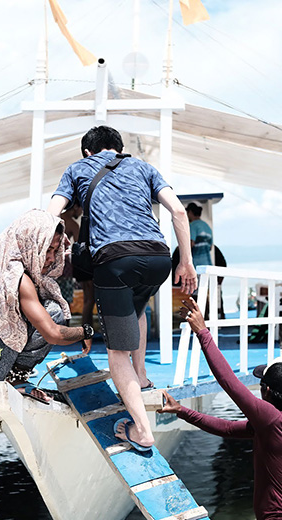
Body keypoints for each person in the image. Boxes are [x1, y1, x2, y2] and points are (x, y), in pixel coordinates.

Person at [47, 125, 197, 451]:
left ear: (88, 151)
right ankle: (140, 377)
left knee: (116, 351)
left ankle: (141, 431)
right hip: (158, 257)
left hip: (115, 260)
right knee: (137, 308)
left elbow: (51, 214)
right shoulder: (144, 167)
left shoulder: (78, 168)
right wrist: (185, 262)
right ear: (118, 148)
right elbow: (179, 211)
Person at [158, 297, 282, 520]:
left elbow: (229, 383)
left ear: (266, 391)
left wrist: (202, 332)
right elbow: (227, 428)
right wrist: (181, 410)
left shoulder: (272, 420)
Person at [0, 209, 93, 403]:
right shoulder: (19, 279)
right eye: (47, 250)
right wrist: (86, 332)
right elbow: (52, 333)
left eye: (55, 251)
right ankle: (17, 380)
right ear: (30, 244)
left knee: (44, 311)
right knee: (52, 312)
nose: (52, 259)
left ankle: (15, 378)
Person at [186, 202, 213, 269]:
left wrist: (179, 249)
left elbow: (191, 244)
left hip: (197, 265)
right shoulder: (207, 226)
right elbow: (210, 247)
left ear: (190, 212)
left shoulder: (193, 225)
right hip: (208, 264)